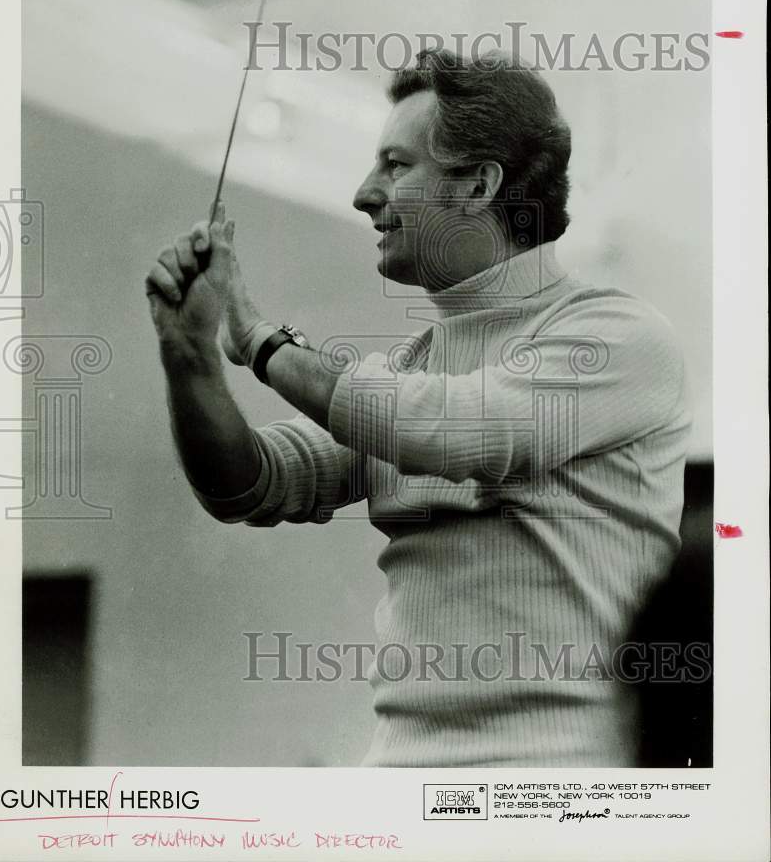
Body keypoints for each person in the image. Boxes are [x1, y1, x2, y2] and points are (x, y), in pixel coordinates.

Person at [145, 48, 692, 767]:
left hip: (563, 778)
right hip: (399, 774)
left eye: (395, 166)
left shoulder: (615, 337)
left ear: (477, 185)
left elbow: (460, 428)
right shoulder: (410, 374)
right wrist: (188, 358)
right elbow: (250, 486)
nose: (363, 194)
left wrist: (257, 340)